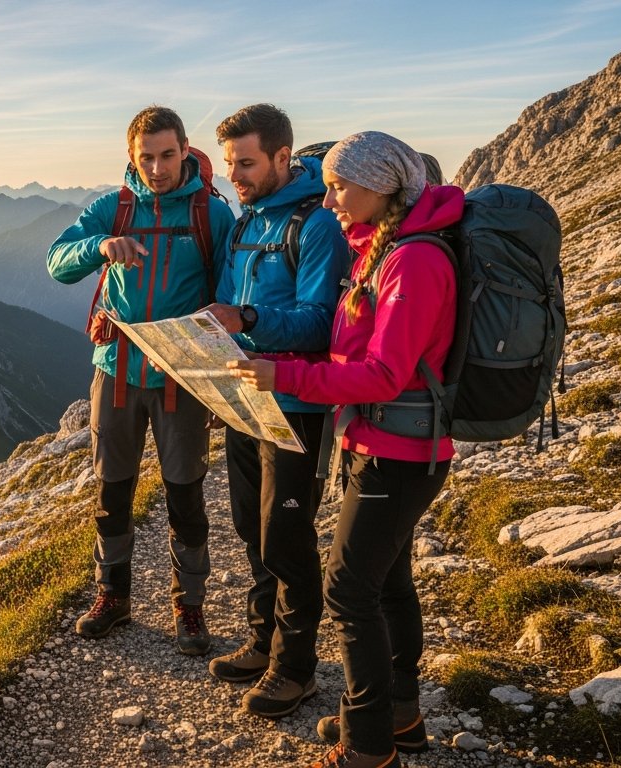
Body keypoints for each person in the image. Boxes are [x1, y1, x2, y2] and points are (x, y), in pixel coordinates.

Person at [229, 130, 463, 768]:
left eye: (338, 186)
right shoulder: (382, 248)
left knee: (349, 589)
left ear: (381, 186)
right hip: (383, 442)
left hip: (399, 451)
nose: (328, 199)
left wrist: (286, 375)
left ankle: (367, 746)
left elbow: (385, 374)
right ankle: (399, 716)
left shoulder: (414, 261)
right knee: (387, 584)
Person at [48, 106, 235, 653]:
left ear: (185, 151)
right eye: (146, 157)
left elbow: (229, 291)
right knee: (112, 491)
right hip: (117, 371)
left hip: (182, 376)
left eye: (167, 155)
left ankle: (189, 606)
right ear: (131, 157)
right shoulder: (114, 208)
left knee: (185, 493)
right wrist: (100, 246)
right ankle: (113, 596)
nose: (157, 168)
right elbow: (58, 261)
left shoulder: (210, 214)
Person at [200, 104, 349, 719]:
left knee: (286, 535)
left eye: (246, 163)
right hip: (243, 398)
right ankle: (263, 643)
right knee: (250, 526)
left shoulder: (317, 224)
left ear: (283, 157)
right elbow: (227, 304)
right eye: (230, 163)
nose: (234, 175)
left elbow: (320, 323)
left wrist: (249, 319)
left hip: (293, 403)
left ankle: (295, 668)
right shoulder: (246, 221)